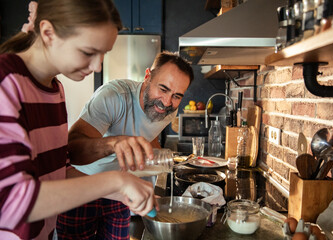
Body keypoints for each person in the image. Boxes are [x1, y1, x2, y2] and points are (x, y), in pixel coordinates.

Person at [0, 1, 158, 239]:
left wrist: (122, 192)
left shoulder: (55, 90)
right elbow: (11, 202)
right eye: (88, 52)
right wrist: (115, 182)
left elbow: (59, 172)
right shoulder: (6, 83)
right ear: (48, 33)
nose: (97, 66)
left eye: (103, 54)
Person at [56, 51, 194, 239]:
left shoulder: (168, 110)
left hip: (120, 189)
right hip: (82, 185)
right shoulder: (114, 97)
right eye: (163, 89)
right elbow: (73, 150)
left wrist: (159, 159)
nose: (167, 102)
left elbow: (148, 135)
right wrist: (115, 143)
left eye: (177, 95)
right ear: (147, 76)